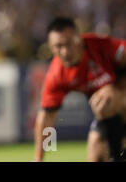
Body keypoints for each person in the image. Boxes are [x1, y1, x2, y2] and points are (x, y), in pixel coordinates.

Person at [34, 17, 126, 162]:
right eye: (58, 46)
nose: (65, 52)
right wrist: (39, 158)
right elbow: (47, 118)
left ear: (79, 39)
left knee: (106, 100)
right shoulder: (56, 74)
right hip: (110, 115)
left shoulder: (102, 46)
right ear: (51, 48)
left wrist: (117, 86)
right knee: (96, 154)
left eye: (69, 44)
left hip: (115, 104)